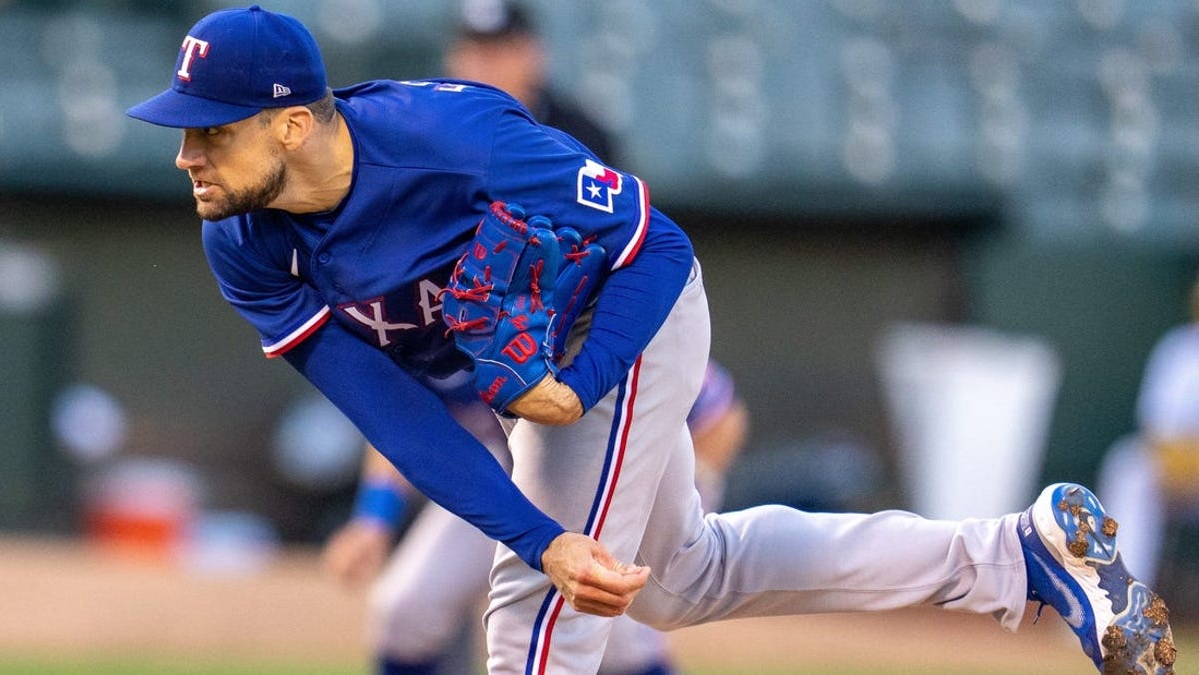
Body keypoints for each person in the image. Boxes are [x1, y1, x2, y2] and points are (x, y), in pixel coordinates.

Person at [126, 6, 1175, 674]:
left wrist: (579, 388)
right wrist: (538, 526)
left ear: (296, 123)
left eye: (211, 129)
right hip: (529, 388)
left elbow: (657, 245)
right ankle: (1016, 557)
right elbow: (390, 408)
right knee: (679, 582)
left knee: (533, 622)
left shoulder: (459, 143)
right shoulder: (245, 239)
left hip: (623, 318)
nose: (187, 157)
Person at [323, 361, 748, 674]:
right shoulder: (425, 323)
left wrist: (665, 528)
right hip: (506, 485)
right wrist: (372, 520)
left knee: (617, 643)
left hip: (606, 493)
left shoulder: (580, 312)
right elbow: (399, 422)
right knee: (406, 608)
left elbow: (721, 419)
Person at [1097, 274, 1199, 587]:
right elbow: (1157, 428)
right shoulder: (1181, 349)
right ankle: (1121, 597)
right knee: (1130, 466)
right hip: (1181, 470)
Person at [443, 0, 616, 166]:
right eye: (476, 52)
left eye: (502, 51)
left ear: (534, 55)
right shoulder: (434, 132)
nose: (486, 67)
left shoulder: (580, 137)